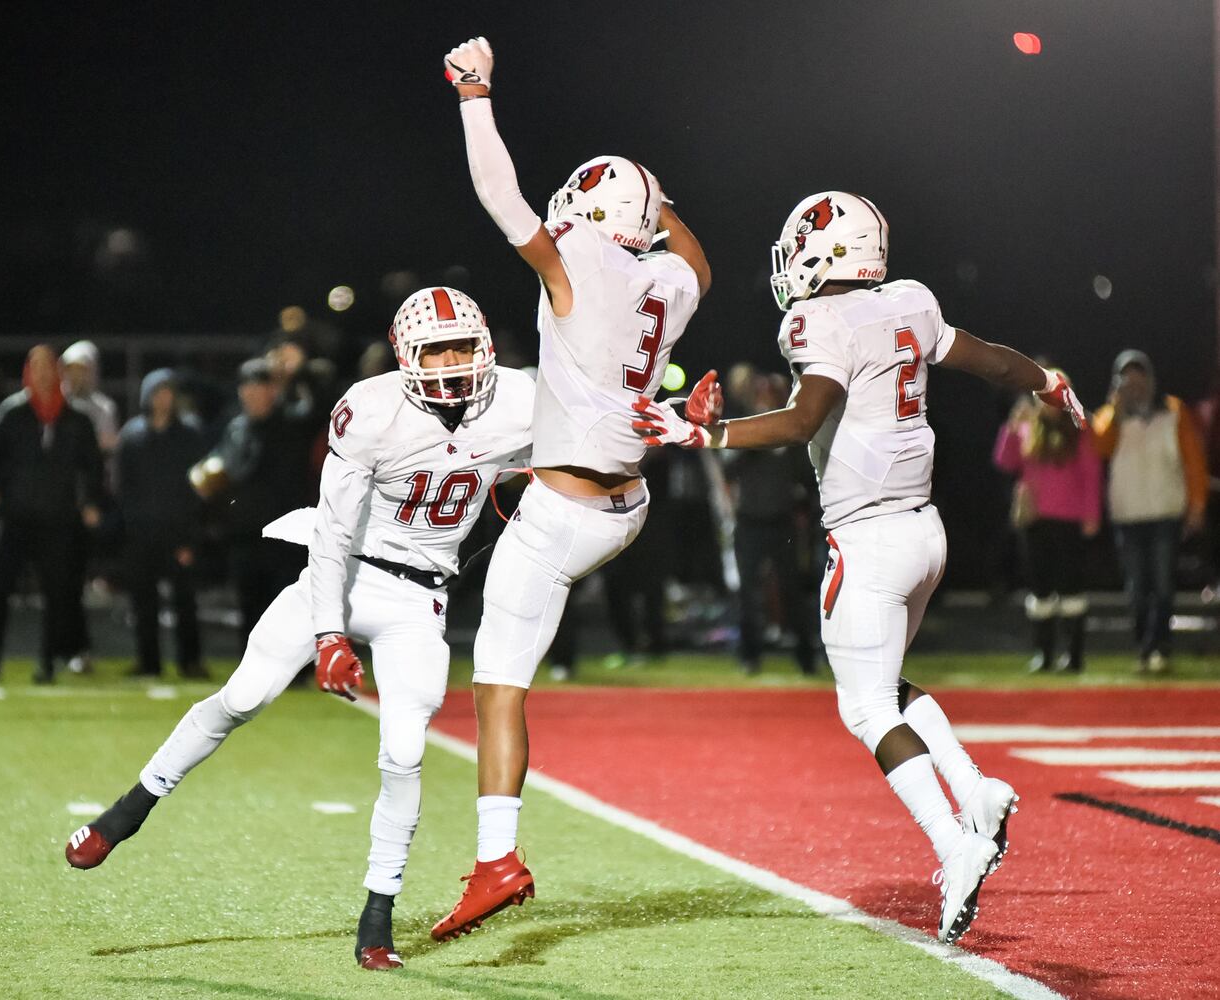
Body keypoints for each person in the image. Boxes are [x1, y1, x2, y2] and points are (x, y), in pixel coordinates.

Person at [634, 191, 1085, 944]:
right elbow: (991, 361)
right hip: (925, 531)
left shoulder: (819, 321)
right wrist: (1048, 381)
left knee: (865, 707)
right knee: (889, 685)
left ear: (827, 253)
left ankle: (954, 843)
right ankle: (974, 789)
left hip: (869, 538)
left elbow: (804, 419)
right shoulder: (909, 301)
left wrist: (705, 436)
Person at [65, 288, 533, 972]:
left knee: (404, 754)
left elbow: (604, 429)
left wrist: (682, 424)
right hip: (343, 572)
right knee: (245, 697)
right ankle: (128, 811)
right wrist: (329, 635)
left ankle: (377, 917)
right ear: (408, 355)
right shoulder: (372, 410)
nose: (455, 361)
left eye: (464, 345)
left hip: (420, 600)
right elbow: (335, 530)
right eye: (439, 349)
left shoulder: (520, 399)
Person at [434, 36, 711, 940]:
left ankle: (495, 862)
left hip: (563, 508)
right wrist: (663, 208)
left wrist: (475, 96)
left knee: (496, 684)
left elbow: (497, 195)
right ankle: (493, 859)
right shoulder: (667, 278)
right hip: (624, 504)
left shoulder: (580, 261)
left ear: (590, 209)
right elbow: (697, 266)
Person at [0, 345, 105, 684]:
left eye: (49, 366)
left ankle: (47, 663)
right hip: (15, 516)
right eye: (37, 367)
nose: (44, 373)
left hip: (57, 518)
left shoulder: (75, 418)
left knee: (57, 593)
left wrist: (90, 501)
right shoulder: (12, 412)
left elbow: (93, 467)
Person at [1091, 350, 1208, 674]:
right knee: (1137, 589)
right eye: (1127, 379)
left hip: (1165, 513)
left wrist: (1197, 504)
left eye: (1139, 377)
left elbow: (1193, 462)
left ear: (1151, 380)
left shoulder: (1174, 411)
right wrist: (1115, 410)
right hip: (1128, 517)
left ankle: (1161, 647)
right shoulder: (1109, 417)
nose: (1134, 385)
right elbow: (1098, 446)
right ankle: (1144, 646)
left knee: (1163, 585)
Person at [192, 358, 315, 647]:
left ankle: (294, 672)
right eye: (248, 388)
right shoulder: (236, 427)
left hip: (284, 535)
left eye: (261, 388)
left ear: (273, 391)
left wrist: (299, 371)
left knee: (287, 606)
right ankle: (254, 670)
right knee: (250, 608)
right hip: (245, 533)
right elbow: (218, 474)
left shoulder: (291, 423)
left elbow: (320, 404)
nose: (253, 395)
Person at [993, 377, 1102, 672]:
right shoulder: (1029, 428)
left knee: (1070, 587)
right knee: (1040, 588)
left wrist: (1092, 515)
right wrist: (1011, 428)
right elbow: (1004, 462)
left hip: (1069, 520)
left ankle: (1074, 655)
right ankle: (1044, 654)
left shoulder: (1079, 429)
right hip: (1035, 520)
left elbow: (1091, 476)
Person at [725, 367, 819, 675]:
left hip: (782, 522)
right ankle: (749, 657)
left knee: (792, 593)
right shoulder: (748, 429)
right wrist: (757, 436)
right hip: (749, 521)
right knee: (748, 593)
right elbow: (729, 466)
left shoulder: (793, 434)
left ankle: (805, 658)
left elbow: (807, 477)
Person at [116, 369, 207, 679]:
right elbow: (123, 486)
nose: (164, 399)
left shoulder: (190, 435)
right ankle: (148, 661)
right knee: (143, 603)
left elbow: (198, 490)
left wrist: (190, 536)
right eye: (158, 392)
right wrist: (129, 526)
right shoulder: (132, 435)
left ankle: (189, 661)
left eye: (169, 392)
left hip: (178, 532)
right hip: (141, 534)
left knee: (185, 601)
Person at [60, 340, 118, 674]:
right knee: (62, 581)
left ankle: (79, 648)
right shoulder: (56, 406)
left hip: (88, 503)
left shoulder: (101, 407)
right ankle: (63, 648)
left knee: (77, 576)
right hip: (58, 503)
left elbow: (101, 455)